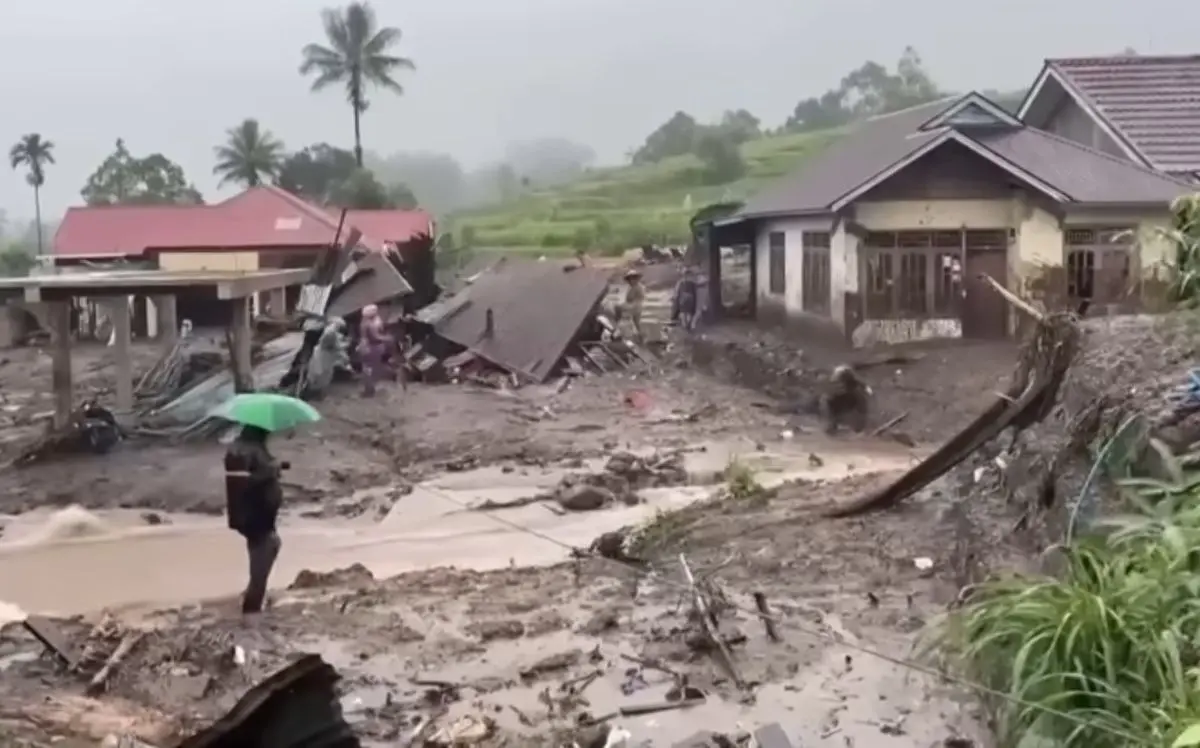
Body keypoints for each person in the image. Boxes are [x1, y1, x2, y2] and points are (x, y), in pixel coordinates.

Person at [224, 425, 285, 615]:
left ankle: (252, 608)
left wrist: (273, 469)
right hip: (258, 520)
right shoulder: (247, 451)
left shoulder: (245, 448)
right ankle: (251, 617)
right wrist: (271, 471)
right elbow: (249, 479)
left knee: (266, 555)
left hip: (259, 520)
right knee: (261, 568)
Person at [819, 365, 871, 435]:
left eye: (843, 383)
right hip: (834, 405)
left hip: (850, 403)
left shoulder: (858, 393)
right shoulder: (828, 397)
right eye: (837, 383)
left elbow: (863, 416)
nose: (839, 386)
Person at [358, 304, 393, 397]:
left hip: (370, 347)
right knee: (370, 369)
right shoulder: (371, 323)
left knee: (369, 368)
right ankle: (369, 389)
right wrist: (387, 338)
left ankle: (369, 389)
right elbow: (376, 337)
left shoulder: (367, 322)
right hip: (373, 347)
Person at [617, 270, 646, 342]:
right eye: (630, 279)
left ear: (636, 279)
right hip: (631, 306)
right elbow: (627, 299)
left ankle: (639, 339)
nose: (631, 280)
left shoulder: (639, 287)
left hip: (636, 307)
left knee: (636, 323)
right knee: (633, 323)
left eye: (633, 278)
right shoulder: (631, 287)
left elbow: (639, 299)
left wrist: (628, 306)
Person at [674, 267, 699, 332]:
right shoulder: (693, 282)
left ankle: (685, 325)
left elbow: (677, 291)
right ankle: (687, 324)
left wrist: (676, 298)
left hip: (683, 298)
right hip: (690, 298)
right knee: (688, 312)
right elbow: (695, 292)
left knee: (683, 312)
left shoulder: (681, 282)